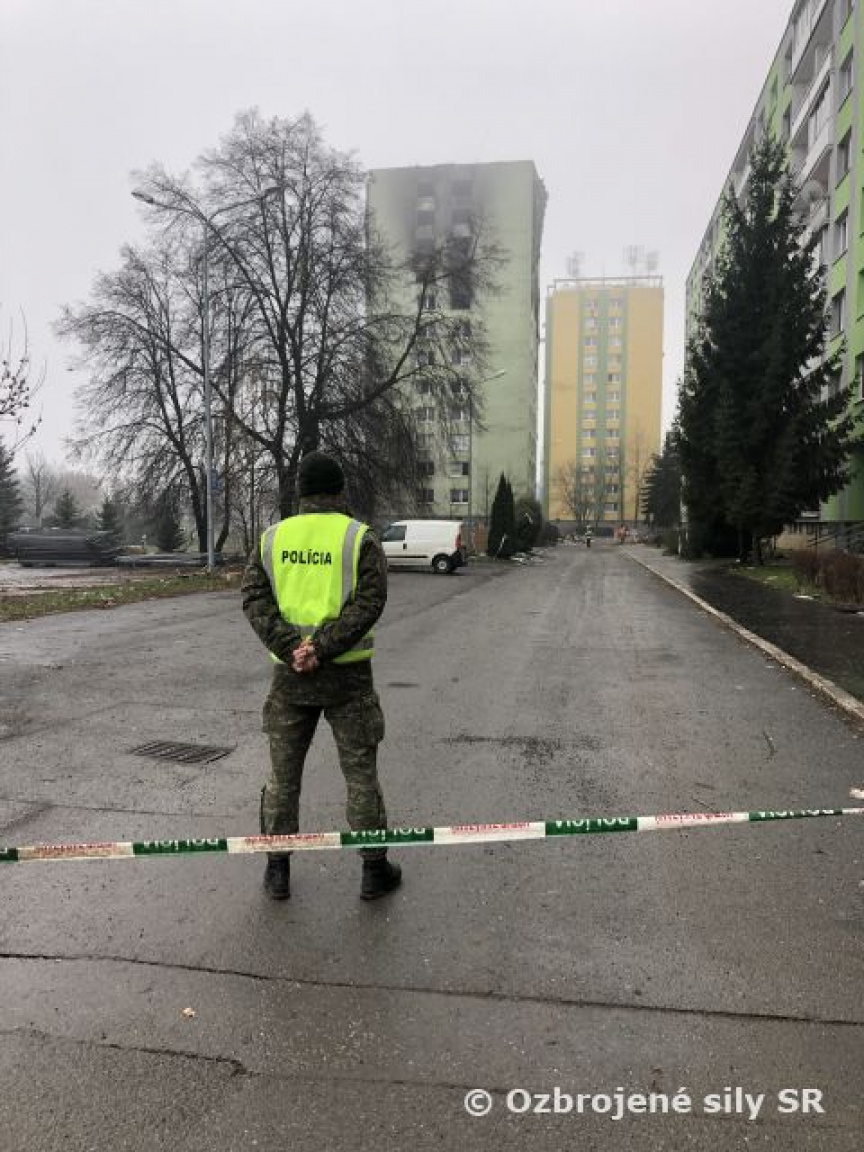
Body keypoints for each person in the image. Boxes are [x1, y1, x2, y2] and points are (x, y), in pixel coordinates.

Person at [241, 450, 401, 902]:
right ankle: (373, 870)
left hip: (289, 679)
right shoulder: (359, 538)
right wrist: (322, 648)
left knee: (282, 779)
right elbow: (369, 602)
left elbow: (254, 597)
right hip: (348, 679)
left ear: (301, 493)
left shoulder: (272, 538)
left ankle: (277, 871)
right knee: (361, 777)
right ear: (340, 490)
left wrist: (292, 648)